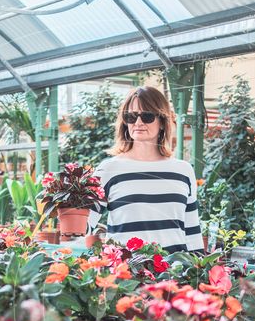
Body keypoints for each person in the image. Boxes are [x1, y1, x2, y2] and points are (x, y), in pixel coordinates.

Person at [87, 85, 203, 253]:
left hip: (176, 273)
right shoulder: (108, 170)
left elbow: (192, 231)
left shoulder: (183, 171)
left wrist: (199, 272)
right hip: (127, 275)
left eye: (147, 116)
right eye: (131, 116)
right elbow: (84, 225)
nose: (138, 122)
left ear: (162, 122)